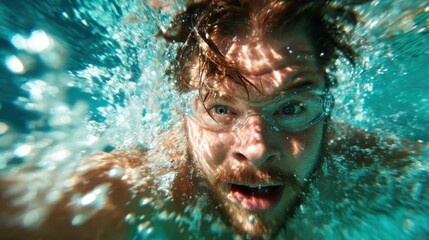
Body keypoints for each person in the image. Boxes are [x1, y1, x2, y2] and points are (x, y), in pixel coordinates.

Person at [0, 0, 425, 239]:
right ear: (183, 110)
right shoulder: (144, 185)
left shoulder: (375, 171)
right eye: (220, 109)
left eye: (293, 108)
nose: (257, 148)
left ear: (328, 105)